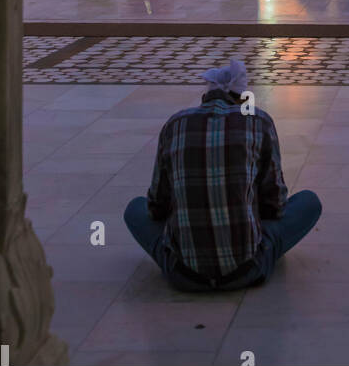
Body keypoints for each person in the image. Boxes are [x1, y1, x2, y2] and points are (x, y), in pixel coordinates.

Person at [123, 59, 322, 292]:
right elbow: (275, 205)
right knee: (309, 202)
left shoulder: (175, 124)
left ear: (206, 97)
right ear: (242, 98)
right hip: (247, 270)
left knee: (134, 209)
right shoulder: (259, 122)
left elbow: (156, 207)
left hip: (184, 274)